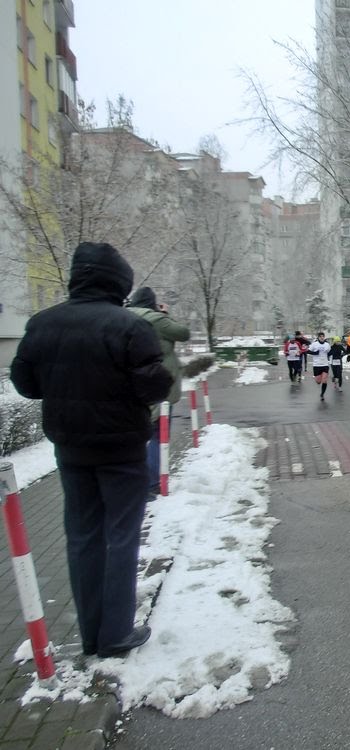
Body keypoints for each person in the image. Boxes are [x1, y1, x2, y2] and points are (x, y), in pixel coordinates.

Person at [10, 242, 172, 659]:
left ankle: (90, 634)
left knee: (82, 537)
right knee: (121, 536)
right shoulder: (130, 326)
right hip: (122, 450)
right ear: (119, 283)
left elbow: (26, 384)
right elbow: (155, 386)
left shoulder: (42, 324)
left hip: (71, 450)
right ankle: (115, 633)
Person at [126, 286, 191, 498]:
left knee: (134, 435)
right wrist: (164, 314)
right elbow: (183, 333)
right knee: (157, 434)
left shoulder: (123, 316)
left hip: (131, 385)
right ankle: (152, 482)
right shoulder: (156, 319)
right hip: (158, 384)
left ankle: (132, 479)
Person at [308, 332, 333, 400]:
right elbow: (308, 351)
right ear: (318, 337)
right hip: (317, 365)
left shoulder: (327, 344)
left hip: (325, 364)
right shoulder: (314, 344)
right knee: (318, 381)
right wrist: (315, 353)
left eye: (323, 336)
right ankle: (318, 381)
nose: (322, 337)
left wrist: (330, 353)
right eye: (320, 336)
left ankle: (322, 394)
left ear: (324, 337)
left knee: (324, 380)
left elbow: (330, 352)